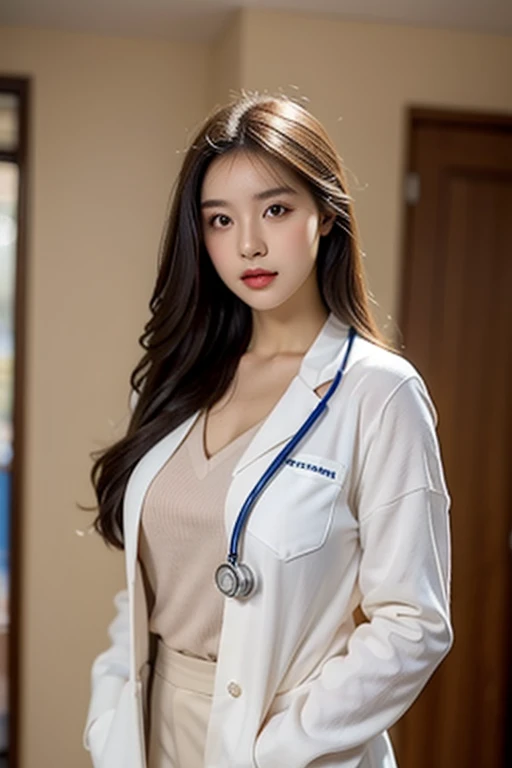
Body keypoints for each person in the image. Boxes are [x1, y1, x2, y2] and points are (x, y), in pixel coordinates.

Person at [82, 92, 453, 768]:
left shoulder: (380, 393)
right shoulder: (184, 377)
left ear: (326, 216)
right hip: (151, 726)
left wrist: (276, 753)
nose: (248, 242)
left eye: (275, 210)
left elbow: (414, 624)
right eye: (220, 220)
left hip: (284, 739)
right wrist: (109, 712)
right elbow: (146, 581)